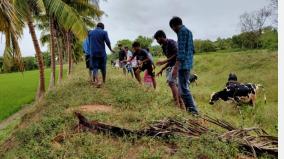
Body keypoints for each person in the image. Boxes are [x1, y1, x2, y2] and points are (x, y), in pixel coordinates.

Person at [169, 16, 199, 115]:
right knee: (184, 88)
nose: (173, 31)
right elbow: (192, 49)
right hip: (188, 63)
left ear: (174, 26)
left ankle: (193, 112)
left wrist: (176, 67)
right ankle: (191, 110)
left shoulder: (181, 32)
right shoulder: (189, 31)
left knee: (183, 90)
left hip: (183, 65)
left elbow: (181, 52)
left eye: (172, 28)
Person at [154, 30, 184, 109]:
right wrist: (162, 69)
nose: (157, 41)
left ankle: (177, 103)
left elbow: (177, 54)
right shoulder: (164, 46)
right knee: (175, 85)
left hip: (178, 64)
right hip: (172, 65)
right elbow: (170, 60)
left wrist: (164, 61)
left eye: (157, 39)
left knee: (171, 82)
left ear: (161, 37)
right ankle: (181, 105)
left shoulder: (171, 42)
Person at [88, 22, 114, 87]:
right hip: (102, 53)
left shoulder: (90, 33)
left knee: (95, 68)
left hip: (93, 53)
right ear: (102, 27)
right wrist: (110, 49)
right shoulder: (104, 32)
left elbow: (90, 42)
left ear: (97, 26)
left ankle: (98, 81)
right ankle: (104, 81)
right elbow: (107, 41)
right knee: (103, 67)